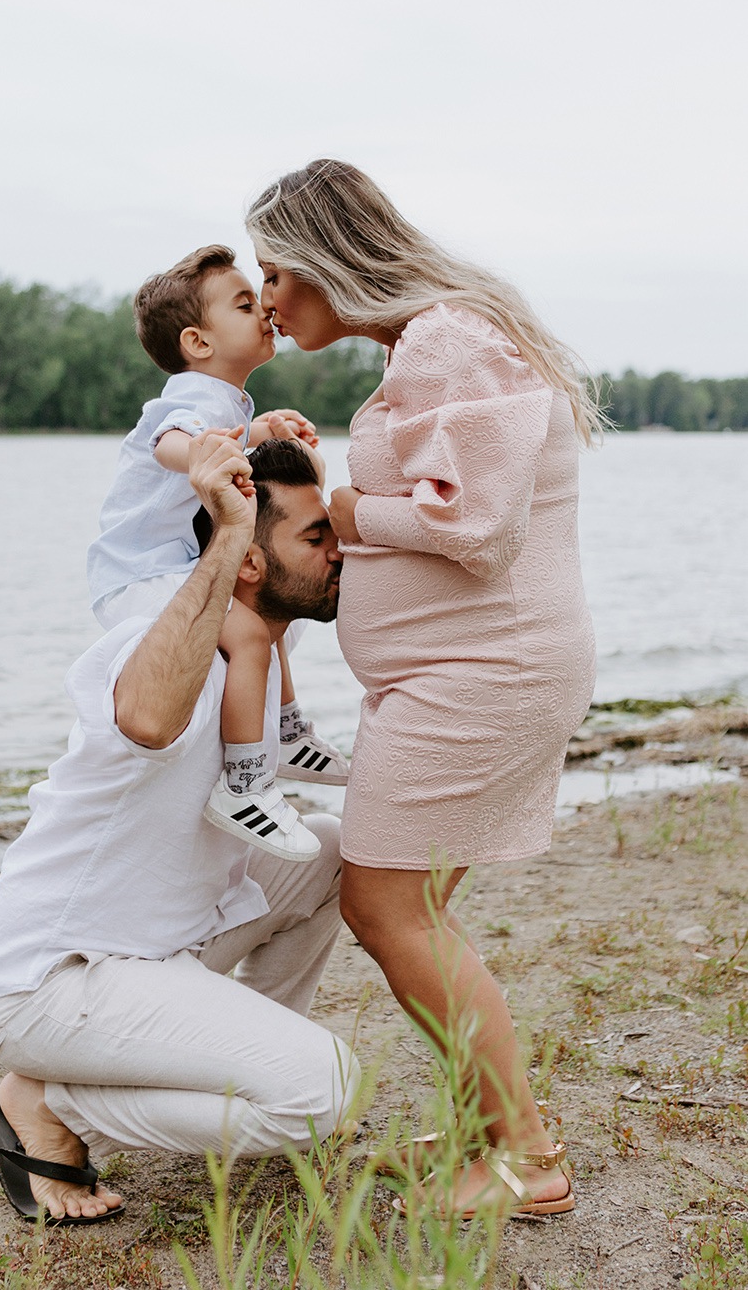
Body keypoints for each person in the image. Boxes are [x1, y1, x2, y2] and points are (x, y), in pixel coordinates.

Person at [245, 159, 600, 1219]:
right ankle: (492, 1123)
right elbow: (446, 499)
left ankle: (527, 1155)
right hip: (454, 673)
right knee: (416, 907)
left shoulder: (451, 337)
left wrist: (337, 510)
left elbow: (476, 529)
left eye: (273, 271)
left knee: (384, 900)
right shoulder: (429, 345)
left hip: (485, 673)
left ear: (325, 260)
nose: (265, 299)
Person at [0, 434, 359, 1225]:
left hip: (160, 948)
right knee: (326, 1092)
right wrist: (225, 530)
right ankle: (52, 1103)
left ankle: (249, 1058)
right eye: (317, 540)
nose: (339, 554)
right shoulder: (158, 647)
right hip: (56, 981)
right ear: (247, 564)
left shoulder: (256, 642)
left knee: (329, 849)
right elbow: (149, 719)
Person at [86, 244, 348, 862]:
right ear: (198, 342)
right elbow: (168, 440)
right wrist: (201, 454)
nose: (264, 309)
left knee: (267, 624)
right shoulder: (193, 398)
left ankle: (284, 733)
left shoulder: (224, 400)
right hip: (138, 576)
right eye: (244, 303)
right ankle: (247, 785)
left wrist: (263, 432)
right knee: (253, 635)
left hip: (168, 568)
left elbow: (221, 435)